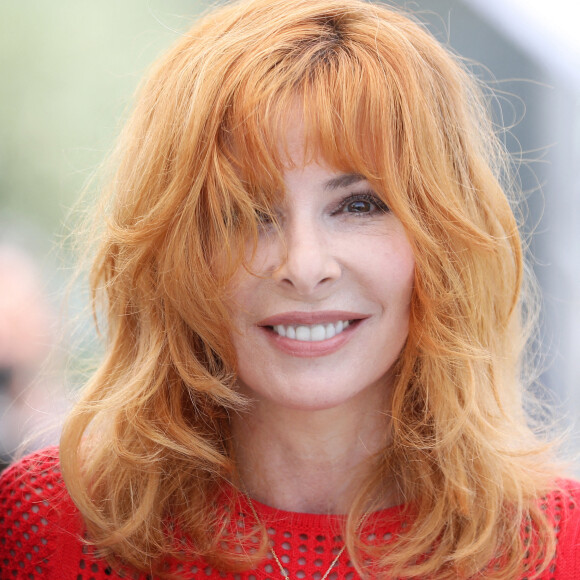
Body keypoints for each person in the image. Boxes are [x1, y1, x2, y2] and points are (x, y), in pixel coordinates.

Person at [1, 0, 579, 578]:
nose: (304, 266)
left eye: (359, 204)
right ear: (173, 249)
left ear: (442, 235)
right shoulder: (45, 524)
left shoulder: (560, 543)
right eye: (246, 210)